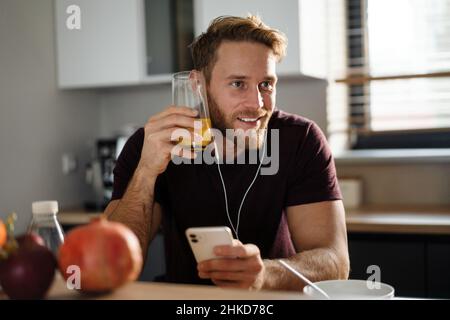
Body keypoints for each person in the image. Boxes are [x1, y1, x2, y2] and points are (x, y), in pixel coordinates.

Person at [105, 15, 349, 291]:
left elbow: (335, 263)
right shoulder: (151, 144)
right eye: (238, 84)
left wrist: (265, 275)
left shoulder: (300, 140)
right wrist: (146, 171)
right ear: (198, 84)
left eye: (266, 84)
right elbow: (109, 260)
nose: (257, 103)